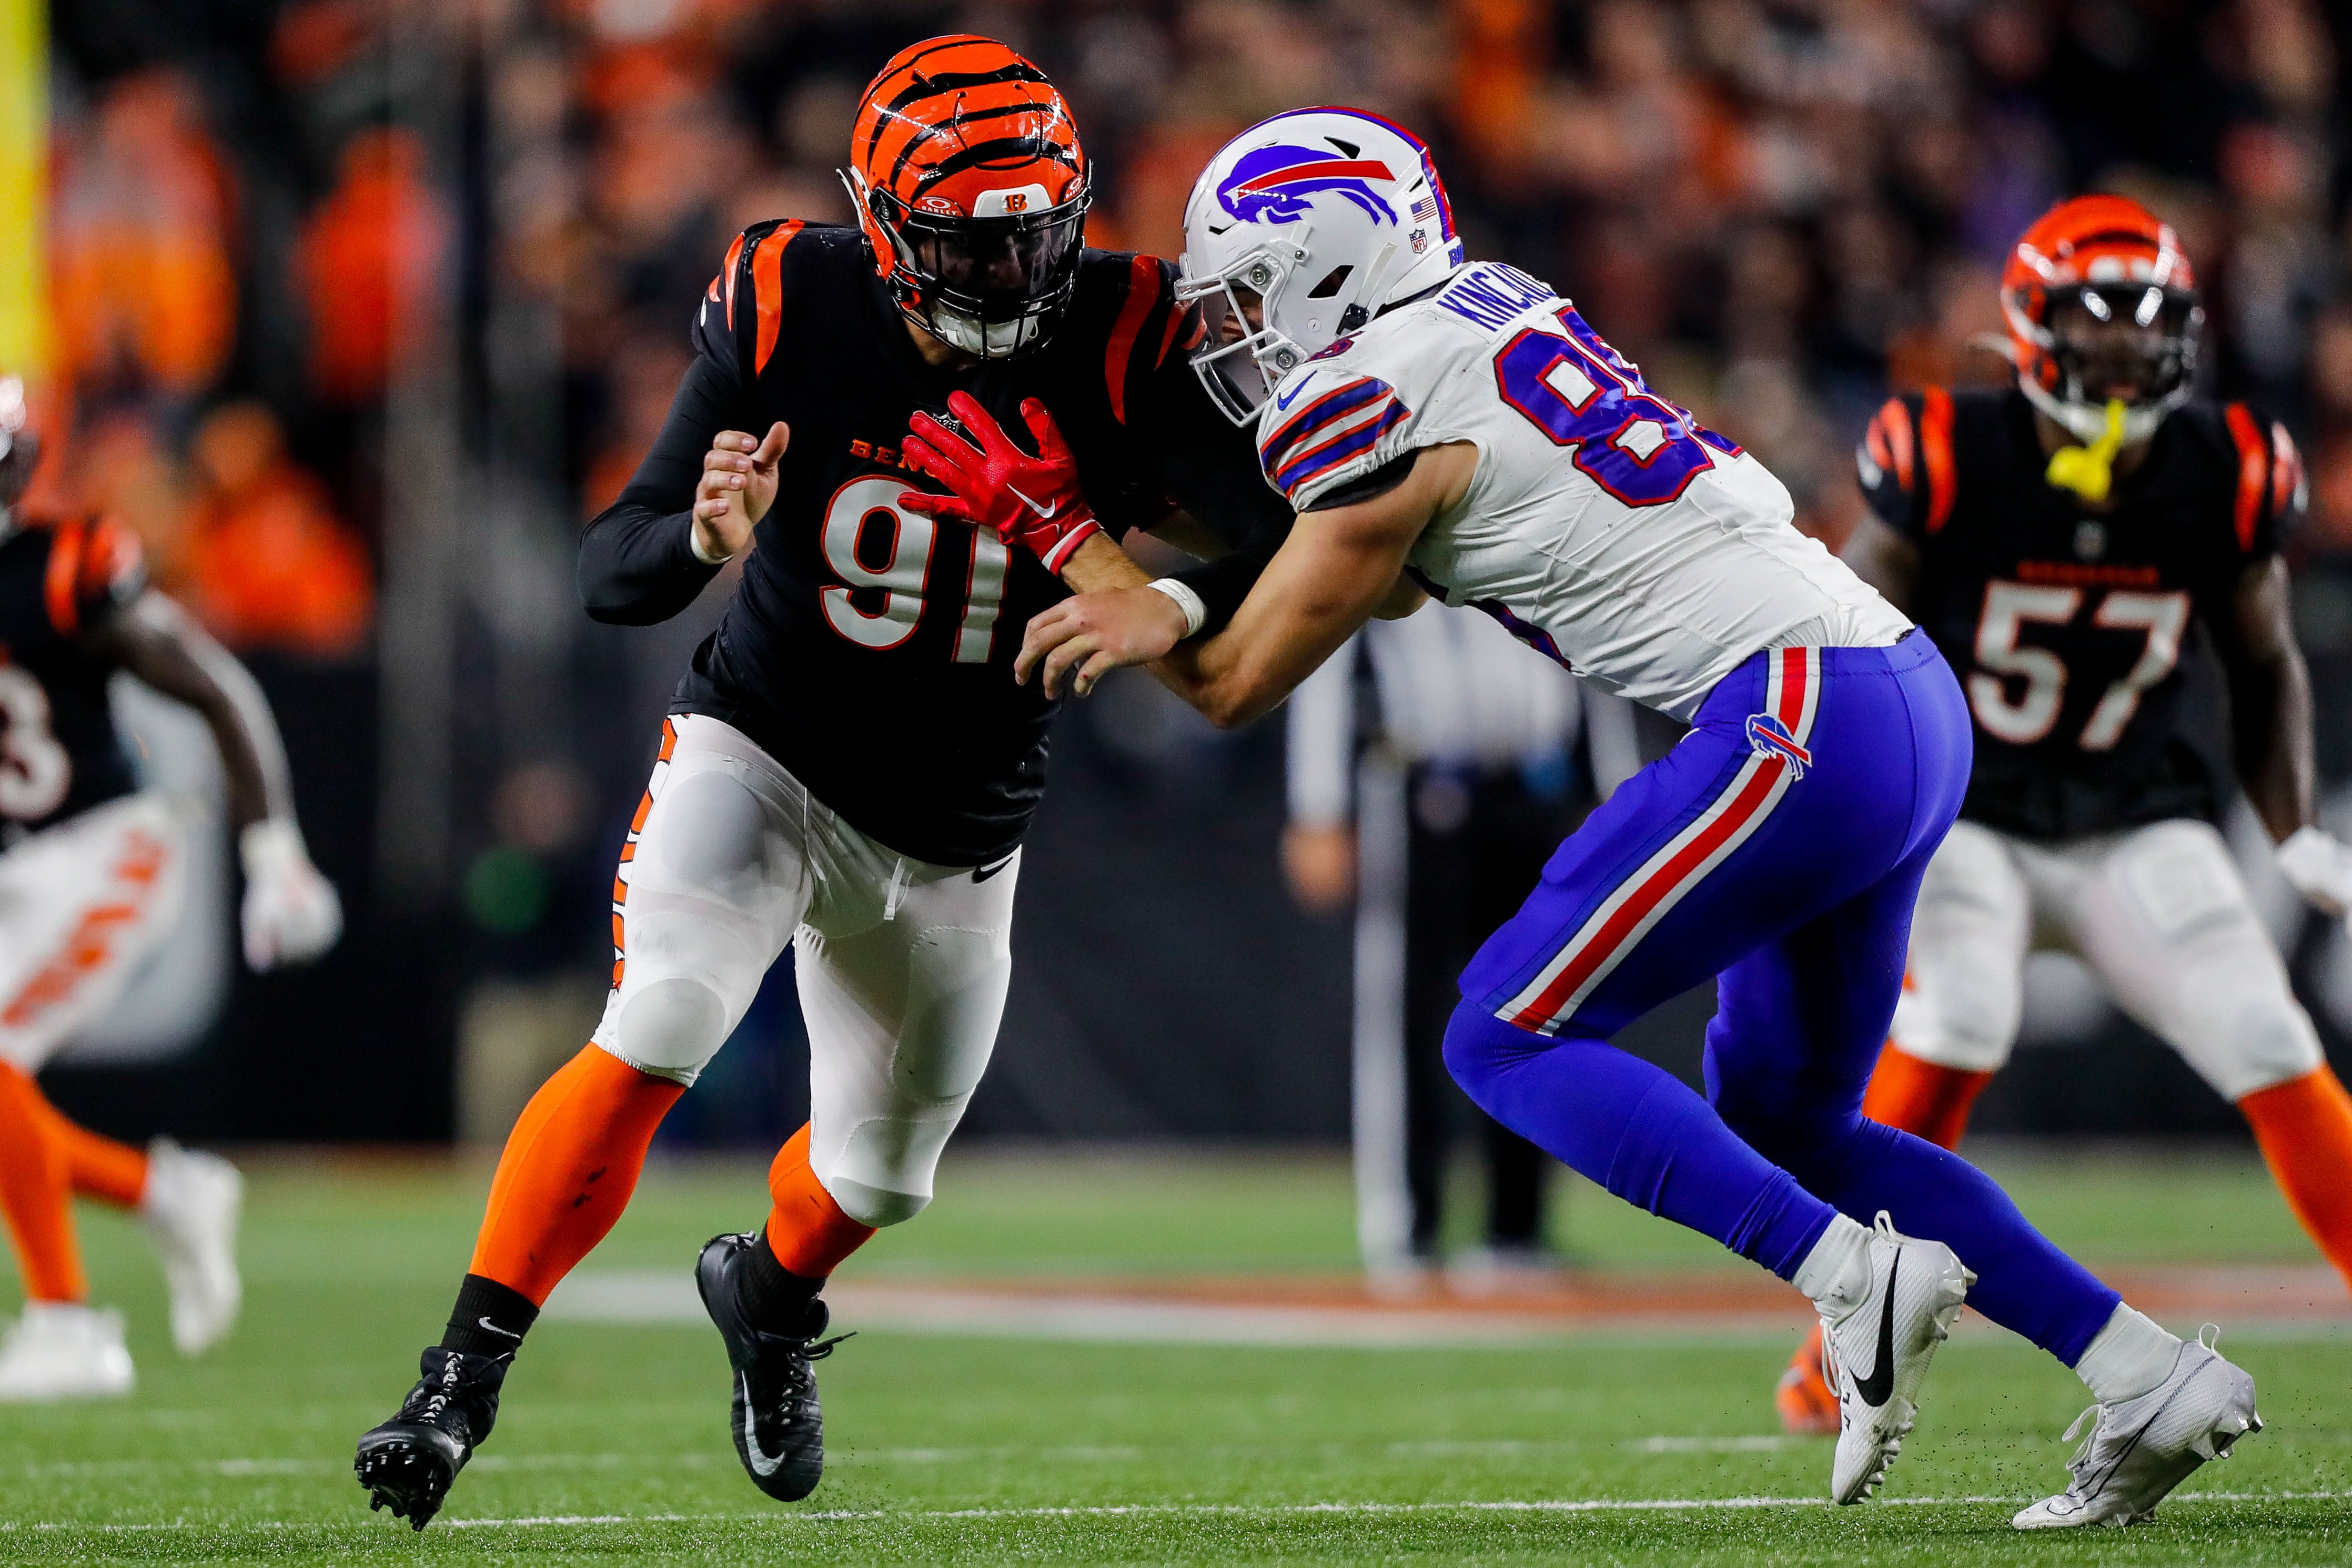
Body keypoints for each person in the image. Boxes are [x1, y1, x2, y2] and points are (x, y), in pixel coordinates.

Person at [920, 109, 2262, 1529]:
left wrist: (1073, 544)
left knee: (1501, 1035)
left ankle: (1848, 1275)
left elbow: (1237, 683)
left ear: (1329, 262)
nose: (1236, 325)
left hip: (1795, 708)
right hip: (1898, 691)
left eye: (1252, 287)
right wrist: (1162, 580)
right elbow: (1389, 579)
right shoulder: (1489, 307)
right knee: (1791, 1116)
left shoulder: (1364, 390)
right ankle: (2144, 1371)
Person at [352, 37, 1292, 1529]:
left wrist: (1156, 594)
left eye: (1036, 236)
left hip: (963, 823)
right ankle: (457, 1382)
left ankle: (771, 1298)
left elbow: (1299, 541)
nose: (1011, 273)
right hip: (769, 754)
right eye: (969, 244)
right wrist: (704, 539)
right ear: (883, 223)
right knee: (662, 1018)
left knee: (882, 1175)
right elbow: (612, 563)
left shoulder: (1123, 335)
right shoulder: (793, 300)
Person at [1772, 195, 2352, 1436]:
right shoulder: (1948, 450)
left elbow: (2262, 662)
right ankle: (1834, 1347)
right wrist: (1836, 811)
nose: (2125, 353)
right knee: (1964, 1012)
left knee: (2265, 1032)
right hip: (1966, 813)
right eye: (2097, 326)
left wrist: (2294, 827)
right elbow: (1847, 640)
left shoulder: (2225, 467)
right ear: (2033, 329)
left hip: (2134, 816)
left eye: (2147, 326)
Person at [0, 379, 343, 1399]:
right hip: (25, 861)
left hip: (107, 846)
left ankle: (68, 1323)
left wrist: (274, 851)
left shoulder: (58, 570)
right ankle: (162, 1194)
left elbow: (215, 688)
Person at [1285, 603, 1636, 1284]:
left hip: (1536, 793)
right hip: (1421, 789)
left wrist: (1615, 796)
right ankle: (1408, 1226)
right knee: (1409, 1013)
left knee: (1536, 1015)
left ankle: (1517, 1228)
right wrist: (1319, 805)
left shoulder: (1543, 552)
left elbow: (1590, 656)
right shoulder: (1393, 546)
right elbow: (1325, 646)